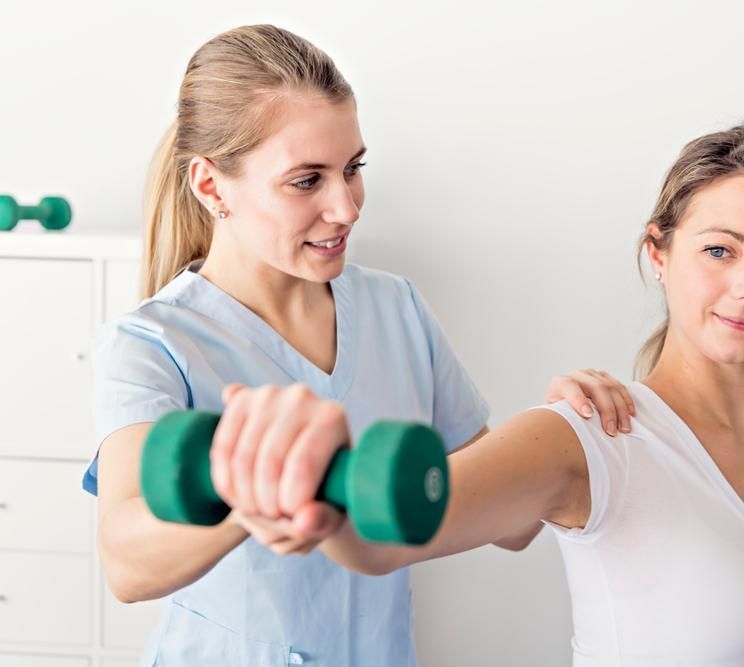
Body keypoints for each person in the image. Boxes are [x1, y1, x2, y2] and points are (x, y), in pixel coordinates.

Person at [82, 24, 632, 666]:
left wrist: (561, 426)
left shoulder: (394, 307)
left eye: (352, 169)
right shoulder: (153, 342)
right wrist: (249, 503)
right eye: (306, 180)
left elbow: (508, 527)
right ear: (211, 186)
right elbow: (125, 565)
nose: (346, 207)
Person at [230, 124, 744, 666]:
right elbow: (384, 539)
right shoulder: (588, 437)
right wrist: (310, 496)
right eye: (718, 251)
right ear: (658, 255)